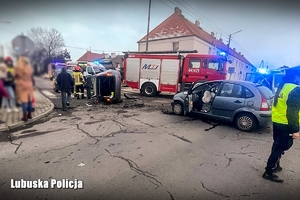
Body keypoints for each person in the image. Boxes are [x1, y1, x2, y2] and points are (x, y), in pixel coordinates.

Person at [262, 66, 300, 183]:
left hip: (277, 121)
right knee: (281, 147)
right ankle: (269, 171)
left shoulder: (282, 86)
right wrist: (295, 130)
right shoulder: (296, 89)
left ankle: (276, 165)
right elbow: (292, 112)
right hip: (286, 124)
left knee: (278, 145)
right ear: (296, 76)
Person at [14, 56, 34, 122]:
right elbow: (31, 75)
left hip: (22, 85)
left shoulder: (18, 67)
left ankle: (25, 116)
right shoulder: (29, 67)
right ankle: (30, 114)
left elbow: (14, 75)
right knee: (30, 100)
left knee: (24, 101)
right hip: (29, 84)